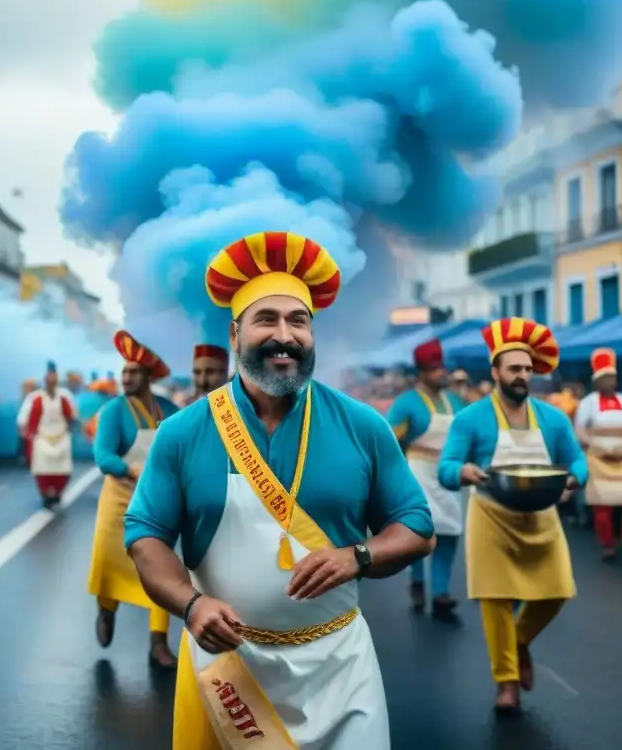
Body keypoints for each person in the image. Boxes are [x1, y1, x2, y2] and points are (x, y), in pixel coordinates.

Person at [125, 231, 434, 749]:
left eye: (298, 321)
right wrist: (190, 604)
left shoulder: (363, 425)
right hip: (227, 672)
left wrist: (358, 555)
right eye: (266, 319)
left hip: (341, 669)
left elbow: (417, 527)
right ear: (235, 334)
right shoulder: (183, 432)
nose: (284, 336)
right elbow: (145, 534)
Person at [437, 317, 586, 712]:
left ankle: (518, 643)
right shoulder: (470, 419)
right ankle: (507, 683)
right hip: (492, 513)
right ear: (495, 371)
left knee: (558, 590)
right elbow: (446, 467)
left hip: (542, 514)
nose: (522, 376)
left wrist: (575, 478)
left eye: (527, 369)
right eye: (514, 368)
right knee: (495, 599)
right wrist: (463, 471)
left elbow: (576, 460)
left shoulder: (553, 419)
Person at [88, 330, 181, 669]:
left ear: (148, 377)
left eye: (133, 372)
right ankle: (106, 609)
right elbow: (103, 455)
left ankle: (158, 643)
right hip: (118, 501)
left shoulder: (168, 409)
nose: (125, 378)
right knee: (110, 562)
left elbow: (182, 444)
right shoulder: (113, 411)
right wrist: (130, 470)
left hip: (155, 503)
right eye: (124, 372)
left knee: (162, 569)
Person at [386, 340, 466, 621]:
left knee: (450, 532)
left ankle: (441, 593)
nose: (441, 373)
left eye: (442, 367)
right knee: (419, 532)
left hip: (447, 474)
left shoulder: (455, 401)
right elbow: (388, 440)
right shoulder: (406, 403)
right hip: (417, 474)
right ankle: (418, 580)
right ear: (421, 372)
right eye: (434, 369)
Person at [574, 348, 622, 563]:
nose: (610, 382)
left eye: (612, 378)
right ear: (597, 381)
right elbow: (579, 431)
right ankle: (608, 547)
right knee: (602, 506)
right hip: (599, 459)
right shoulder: (588, 404)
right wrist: (596, 446)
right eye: (606, 378)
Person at [16, 362, 77, 506]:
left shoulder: (65, 396)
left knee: (62, 469)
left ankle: (57, 492)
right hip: (42, 438)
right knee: (42, 469)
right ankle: (46, 493)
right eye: (49, 381)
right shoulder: (35, 397)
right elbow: (24, 418)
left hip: (61, 437)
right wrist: (27, 434)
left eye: (53, 381)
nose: (51, 384)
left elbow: (72, 415)